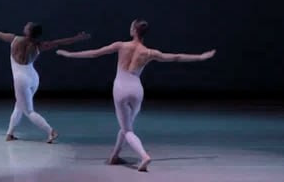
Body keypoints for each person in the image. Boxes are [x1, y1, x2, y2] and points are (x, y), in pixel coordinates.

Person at [56, 19, 215, 171]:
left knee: (127, 130)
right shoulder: (149, 52)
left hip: (121, 88)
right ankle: (114, 156)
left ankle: (144, 156)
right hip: (136, 90)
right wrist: (200, 57)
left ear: (133, 30)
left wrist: (70, 55)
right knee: (126, 126)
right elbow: (176, 57)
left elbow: (94, 53)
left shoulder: (121, 45)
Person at [0, 23, 89, 142]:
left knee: (29, 111)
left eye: (28, 26)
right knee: (19, 105)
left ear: (27, 31)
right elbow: (59, 42)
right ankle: (9, 134)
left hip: (21, 80)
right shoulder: (39, 46)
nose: (26, 25)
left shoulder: (14, 39)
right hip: (33, 77)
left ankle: (51, 131)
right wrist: (77, 38)